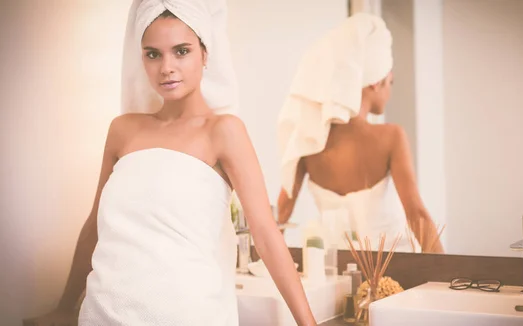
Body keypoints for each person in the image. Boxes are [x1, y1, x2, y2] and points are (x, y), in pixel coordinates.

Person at [22, 0, 316, 325]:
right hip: (104, 314)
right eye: (153, 54)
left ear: (205, 54)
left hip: (188, 314)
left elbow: (265, 233)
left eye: (181, 51)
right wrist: (64, 307)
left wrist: (307, 322)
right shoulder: (123, 130)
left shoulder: (223, 131)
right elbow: (95, 226)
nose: (166, 67)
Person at [276, 13, 444, 253]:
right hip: (397, 273)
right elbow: (416, 214)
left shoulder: (307, 140)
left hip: (338, 275)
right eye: (390, 82)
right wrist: (448, 278)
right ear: (376, 82)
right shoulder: (391, 137)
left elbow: (280, 214)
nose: (390, 90)